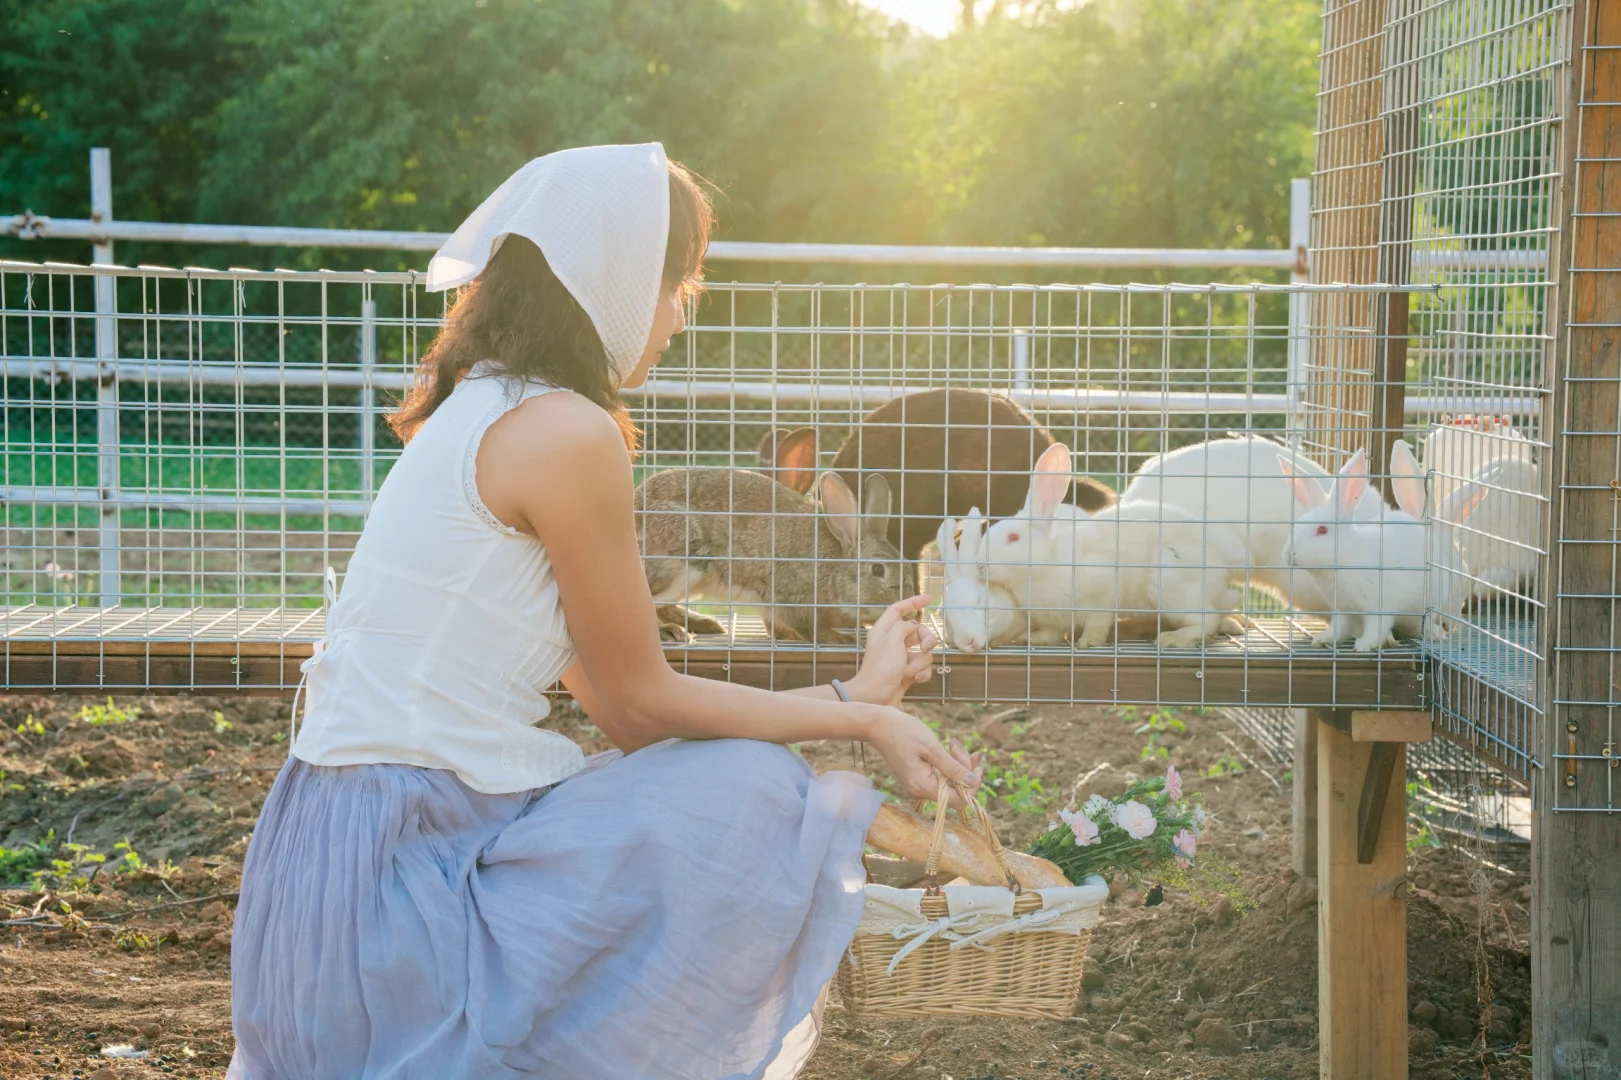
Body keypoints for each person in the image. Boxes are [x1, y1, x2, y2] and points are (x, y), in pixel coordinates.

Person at [226, 143, 982, 1080]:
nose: (678, 314)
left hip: (324, 876)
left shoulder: (481, 406)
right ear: (615, 280)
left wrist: (853, 690)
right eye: (679, 283)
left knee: (728, 782)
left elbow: (613, 692)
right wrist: (865, 716)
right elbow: (638, 709)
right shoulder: (566, 430)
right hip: (412, 872)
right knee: (751, 794)